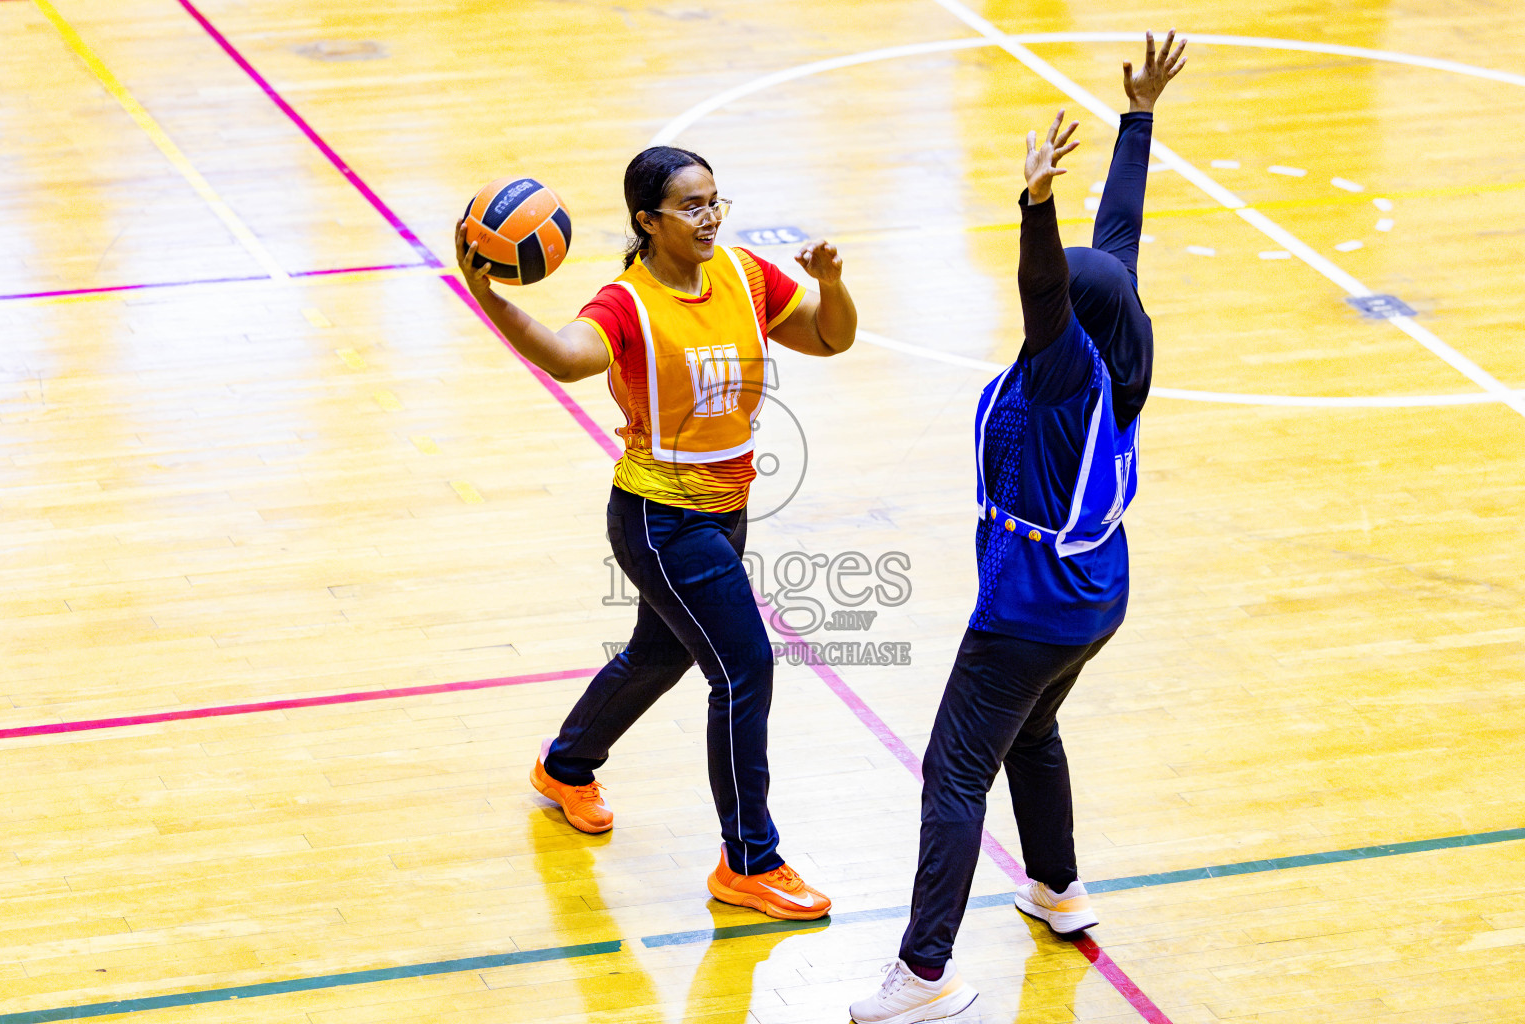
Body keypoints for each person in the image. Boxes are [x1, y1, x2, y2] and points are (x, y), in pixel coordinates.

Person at [849, 30, 1185, 1023]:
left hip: (1031, 605)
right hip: (1094, 591)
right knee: (1033, 728)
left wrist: (1035, 205)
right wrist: (1138, 117)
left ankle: (923, 973)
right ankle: (1058, 886)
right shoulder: (1117, 345)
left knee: (953, 771)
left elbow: (1049, 285)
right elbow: (1119, 238)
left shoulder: (1064, 368)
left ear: (1071, 322)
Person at [454, 146, 858, 921]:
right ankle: (750, 861)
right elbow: (570, 359)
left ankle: (565, 765)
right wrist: (495, 301)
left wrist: (832, 286)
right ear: (648, 221)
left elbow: (830, 337)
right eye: (692, 206)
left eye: (715, 201)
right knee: (744, 670)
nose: (709, 217)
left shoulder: (743, 275)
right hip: (660, 519)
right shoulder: (626, 302)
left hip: (723, 508)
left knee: (659, 653)